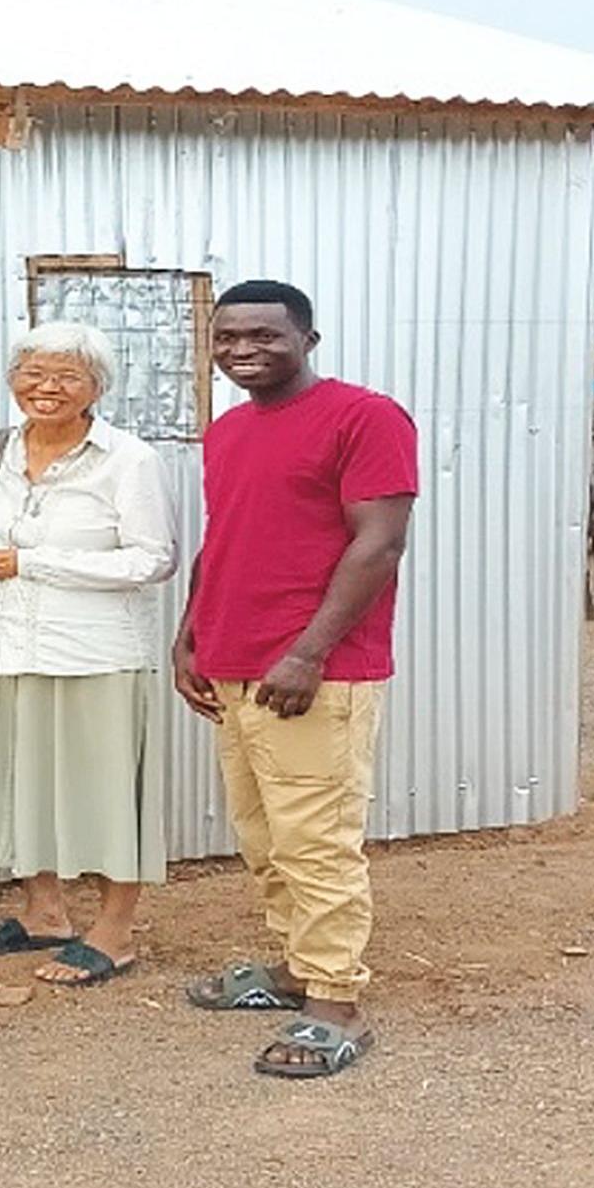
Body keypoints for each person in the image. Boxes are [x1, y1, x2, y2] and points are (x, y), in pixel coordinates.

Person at [172, 279, 417, 1078]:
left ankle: (335, 1003)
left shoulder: (364, 416)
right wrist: (189, 634)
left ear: (309, 339)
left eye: (265, 336)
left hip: (314, 671)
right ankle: (293, 969)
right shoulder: (230, 430)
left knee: (316, 842)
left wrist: (309, 651)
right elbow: (226, 537)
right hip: (236, 662)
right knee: (262, 836)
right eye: (228, 336)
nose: (243, 350)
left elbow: (378, 544)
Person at [0, 323, 180, 987]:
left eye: (67, 376)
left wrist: (33, 562)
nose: (46, 387)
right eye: (32, 372)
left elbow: (153, 559)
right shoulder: (7, 446)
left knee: (108, 789)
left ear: (96, 387)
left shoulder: (127, 458)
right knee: (15, 778)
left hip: (91, 650)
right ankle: (44, 913)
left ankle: (114, 933)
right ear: (12, 379)